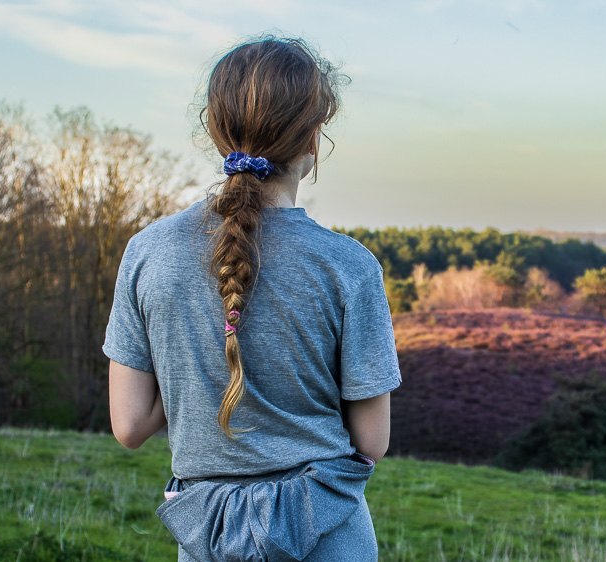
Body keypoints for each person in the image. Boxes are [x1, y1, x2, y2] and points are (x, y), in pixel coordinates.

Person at [102, 35, 401, 561]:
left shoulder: (148, 253)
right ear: (312, 139)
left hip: (208, 535)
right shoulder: (348, 266)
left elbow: (129, 426)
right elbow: (372, 441)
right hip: (327, 534)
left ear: (217, 134)